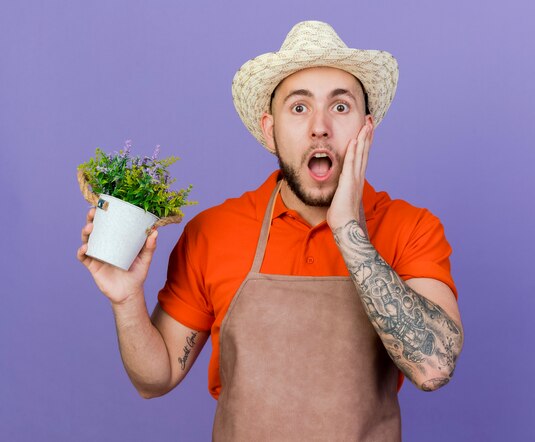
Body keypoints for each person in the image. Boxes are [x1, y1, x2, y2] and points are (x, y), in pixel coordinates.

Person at [78, 20, 463, 441]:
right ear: (270, 129)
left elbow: (434, 368)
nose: (320, 127)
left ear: (365, 129)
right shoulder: (214, 232)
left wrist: (349, 229)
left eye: (340, 107)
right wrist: (127, 299)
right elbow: (155, 379)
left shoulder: (411, 228)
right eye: (299, 108)